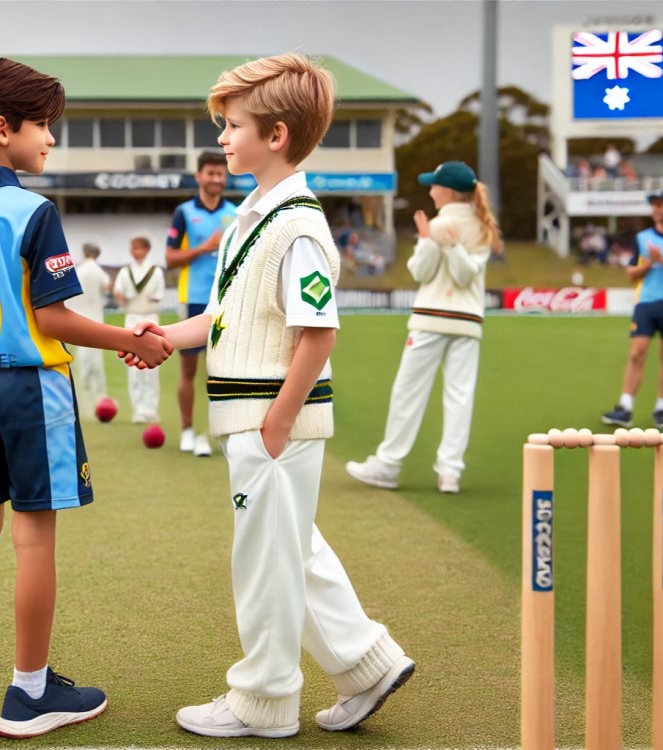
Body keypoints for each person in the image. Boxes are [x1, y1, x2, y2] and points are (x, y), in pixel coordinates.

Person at [130, 52, 413, 738]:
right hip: (255, 416)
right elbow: (224, 318)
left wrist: (276, 425)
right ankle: (368, 664)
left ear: (276, 135)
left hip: (269, 419)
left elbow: (318, 334)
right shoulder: (251, 218)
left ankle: (263, 698)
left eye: (232, 126)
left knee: (262, 560)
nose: (222, 139)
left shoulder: (297, 225)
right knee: (291, 549)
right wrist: (161, 334)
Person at [0, 49, 171, 738]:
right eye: (43, 126)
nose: (51, 138)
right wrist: (131, 339)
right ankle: (30, 692)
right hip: (30, 387)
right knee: (32, 537)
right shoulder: (33, 211)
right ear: (4, 128)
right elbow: (53, 317)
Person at [346, 160, 502, 495]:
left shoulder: (442, 222)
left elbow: (421, 272)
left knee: (408, 392)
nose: (430, 190)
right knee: (459, 397)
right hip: (468, 321)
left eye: (434, 185)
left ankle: (388, 465)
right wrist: (437, 241)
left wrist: (436, 241)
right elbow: (462, 273)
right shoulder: (483, 225)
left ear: (446, 191)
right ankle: (450, 473)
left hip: (432, 317)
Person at [165, 151, 237, 457]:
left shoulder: (235, 213)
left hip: (227, 302)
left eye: (221, 174)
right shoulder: (183, 213)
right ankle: (187, 431)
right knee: (189, 369)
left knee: (224, 371)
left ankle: (219, 433)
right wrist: (205, 248)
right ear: (199, 176)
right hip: (194, 300)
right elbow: (169, 259)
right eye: (210, 173)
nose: (216, 179)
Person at [601, 190, 663, 429]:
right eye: (655, 205)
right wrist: (650, 263)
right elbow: (631, 274)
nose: (657, 209)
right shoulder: (643, 238)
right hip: (646, 303)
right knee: (637, 353)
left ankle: (661, 408)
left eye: (660, 205)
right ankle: (625, 407)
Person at [113, 235, 165, 423]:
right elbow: (118, 291)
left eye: (138, 248)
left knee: (152, 365)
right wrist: (119, 297)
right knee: (133, 366)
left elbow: (158, 295)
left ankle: (151, 408)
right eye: (132, 248)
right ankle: (138, 409)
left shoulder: (156, 271)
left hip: (151, 318)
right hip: (131, 319)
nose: (135, 252)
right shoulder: (125, 271)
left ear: (147, 249)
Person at [63, 242, 112, 417]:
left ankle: (83, 402)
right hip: (95, 319)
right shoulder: (98, 271)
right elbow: (108, 287)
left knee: (82, 361)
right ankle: (97, 400)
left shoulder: (78, 270)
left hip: (77, 319)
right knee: (94, 363)